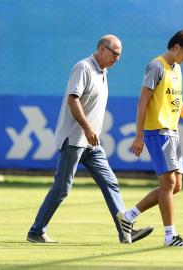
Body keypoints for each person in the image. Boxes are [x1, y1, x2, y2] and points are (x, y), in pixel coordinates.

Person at [27, 34, 153, 244]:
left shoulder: (102, 72)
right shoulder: (83, 67)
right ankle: (36, 231)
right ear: (102, 49)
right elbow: (72, 99)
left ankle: (126, 232)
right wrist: (87, 128)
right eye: (115, 53)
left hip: (91, 143)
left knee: (110, 182)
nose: (117, 58)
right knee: (62, 188)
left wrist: (90, 132)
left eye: (120, 55)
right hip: (75, 139)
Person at [116, 30, 183, 248]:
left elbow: (178, 102)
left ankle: (128, 217)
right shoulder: (156, 66)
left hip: (172, 131)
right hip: (157, 131)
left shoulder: (176, 69)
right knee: (168, 183)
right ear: (176, 47)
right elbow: (143, 102)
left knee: (176, 186)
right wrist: (139, 135)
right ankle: (171, 236)